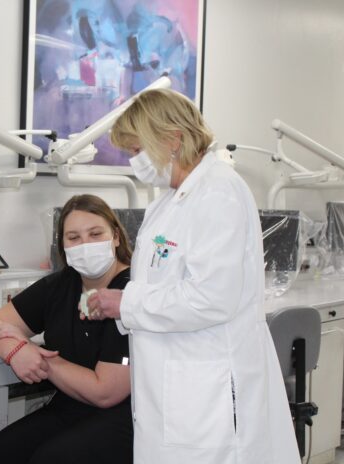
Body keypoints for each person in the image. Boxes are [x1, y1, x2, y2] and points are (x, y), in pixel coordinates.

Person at [84, 89, 301, 463]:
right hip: (175, 385)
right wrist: (123, 304)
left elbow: (211, 298)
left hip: (208, 387)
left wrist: (127, 303)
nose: (135, 162)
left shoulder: (218, 192)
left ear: (171, 139)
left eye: (137, 150)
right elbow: (163, 285)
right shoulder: (168, 202)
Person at [0, 194, 134, 464]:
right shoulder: (61, 285)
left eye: (95, 234)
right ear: (63, 245)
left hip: (123, 416)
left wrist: (38, 356)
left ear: (116, 236)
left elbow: (105, 392)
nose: (85, 245)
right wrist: (17, 351)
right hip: (70, 406)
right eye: (74, 237)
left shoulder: (132, 294)